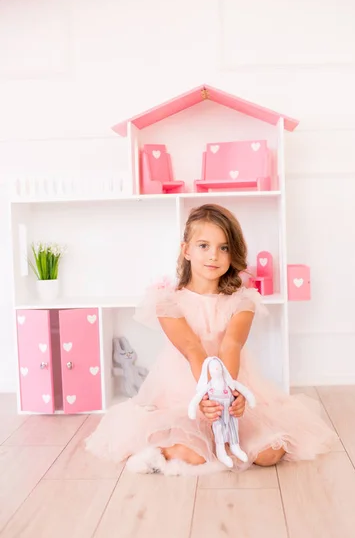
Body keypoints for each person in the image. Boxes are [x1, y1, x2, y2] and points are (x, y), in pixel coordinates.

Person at [85, 203, 338, 475]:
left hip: (232, 379)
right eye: (204, 245)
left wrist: (228, 397)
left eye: (224, 247)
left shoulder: (242, 301)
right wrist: (207, 396)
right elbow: (192, 350)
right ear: (187, 250)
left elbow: (232, 345)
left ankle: (227, 440)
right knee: (194, 453)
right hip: (185, 389)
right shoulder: (168, 302)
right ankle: (164, 449)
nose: (213, 256)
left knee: (269, 452)